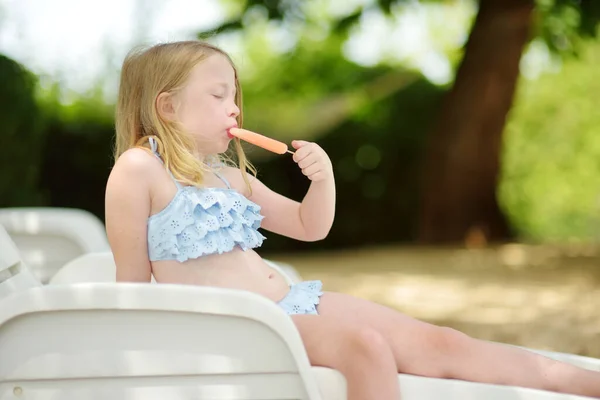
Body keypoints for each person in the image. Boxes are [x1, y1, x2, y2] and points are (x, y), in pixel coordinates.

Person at [105, 40, 600, 400]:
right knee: (364, 347)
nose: (234, 107)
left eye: (234, 94)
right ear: (166, 107)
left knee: (442, 342)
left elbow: (307, 225)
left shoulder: (228, 176)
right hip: (245, 328)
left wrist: (323, 182)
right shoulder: (138, 170)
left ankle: (586, 384)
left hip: (293, 304)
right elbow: (132, 289)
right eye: (218, 95)